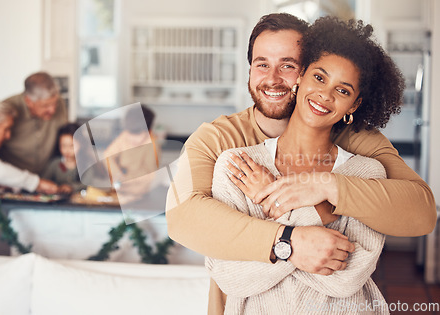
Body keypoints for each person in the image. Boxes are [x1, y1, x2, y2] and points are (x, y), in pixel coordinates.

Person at [165, 13, 436, 314]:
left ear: (302, 71)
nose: (273, 78)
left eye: (287, 65)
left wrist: (323, 186)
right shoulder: (221, 141)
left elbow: (420, 213)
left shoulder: (357, 142)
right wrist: (290, 240)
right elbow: (182, 218)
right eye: (262, 64)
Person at [0, 71, 68, 175]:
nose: (52, 110)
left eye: (55, 103)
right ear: (29, 101)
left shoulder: (59, 104)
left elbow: (65, 138)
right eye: (46, 106)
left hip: (48, 177)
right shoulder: (7, 109)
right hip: (15, 178)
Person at [102, 104, 159, 204]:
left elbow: (151, 175)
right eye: (130, 134)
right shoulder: (124, 136)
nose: (132, 139)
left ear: (148, 131)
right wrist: (118, 174)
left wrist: (128, 181)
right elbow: (108, 155)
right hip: (120, 191)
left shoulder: (152, 145)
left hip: (140, 194)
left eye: (138, 135)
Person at [42, 123, 86, 193]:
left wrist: (72, 187)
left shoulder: (86, 164)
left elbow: (89, 184)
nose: (67, 150)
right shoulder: (55, 164)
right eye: (63, 146)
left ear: (81, 144)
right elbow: (43, 182)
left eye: (71, 146)